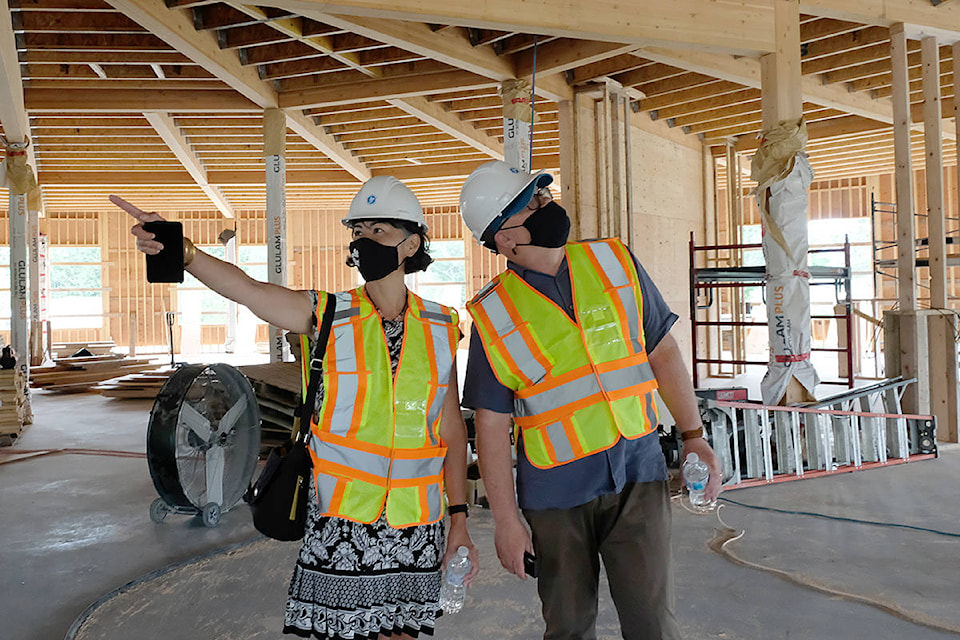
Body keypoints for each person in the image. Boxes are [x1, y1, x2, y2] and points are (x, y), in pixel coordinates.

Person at [113, 175, 479, 640]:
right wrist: (185, 252)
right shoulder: (327, 313)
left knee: (402, 634)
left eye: (379, 232)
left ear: (410, 244)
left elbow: (451, 431)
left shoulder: (442, 325)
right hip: (342, 518)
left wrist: (460, 519)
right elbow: (249, 291)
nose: (365, 242)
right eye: (359, 232)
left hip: (417, 520)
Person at [457, 161, 721, 640]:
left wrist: (694, 436)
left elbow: (663, 353)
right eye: (530, 205)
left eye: (542, 197)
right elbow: (491, 427)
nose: (547, 207)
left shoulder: (614, 262)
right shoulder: (492, 317)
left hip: (638, 473)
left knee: (654, 625)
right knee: (570, 629)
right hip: (556, 497)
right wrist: (505, 522)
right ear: (505, 240)